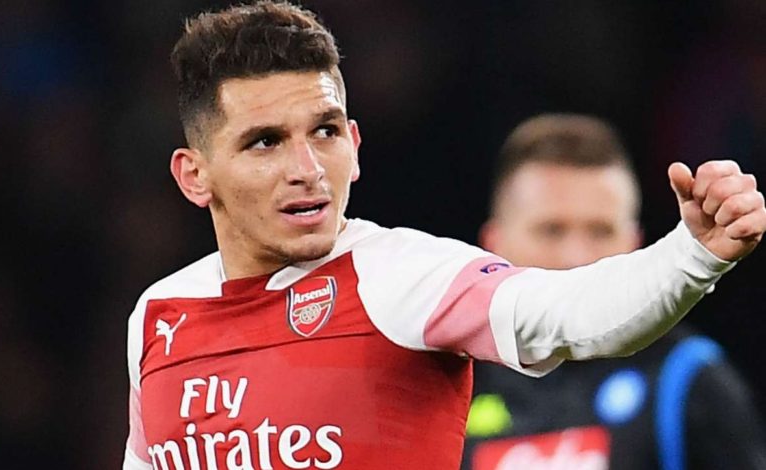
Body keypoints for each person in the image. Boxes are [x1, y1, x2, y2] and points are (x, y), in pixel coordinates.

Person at [122, 2, 766, 469]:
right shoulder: (158, 317)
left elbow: (570, 312)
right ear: (195, 176)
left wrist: (692, 255)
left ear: (354, 144)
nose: (308, 169)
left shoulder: (400, 276)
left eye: (324, 132)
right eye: (266, 142)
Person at [463, 114, 766, 470]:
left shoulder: (686, 379)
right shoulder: (449, 386)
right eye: (551, 230)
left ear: (635, 244)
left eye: (601, 231)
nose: (576, 258)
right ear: (493, 246)